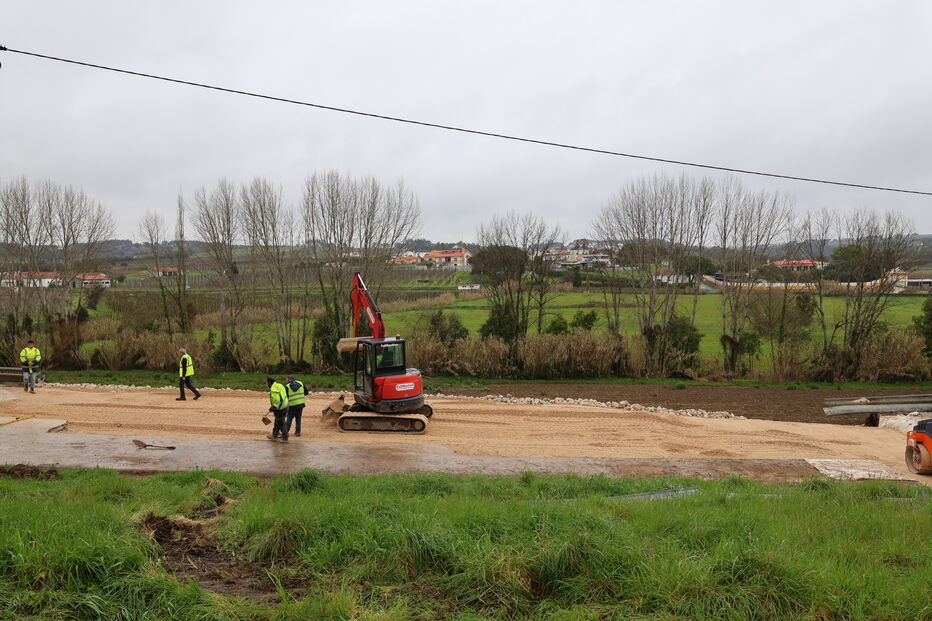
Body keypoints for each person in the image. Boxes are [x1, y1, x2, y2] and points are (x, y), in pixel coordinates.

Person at [266, 376, 289, 442]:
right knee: (277, 422)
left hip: (280, 409)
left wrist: (273, 407)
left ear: (269, 383)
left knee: (281, 423)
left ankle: (285, 438)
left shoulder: (273, 390)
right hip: (286, 406)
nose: (267, 384)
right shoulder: (280, 385)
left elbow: (277, 400)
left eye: (267, 383)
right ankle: (274, 435)